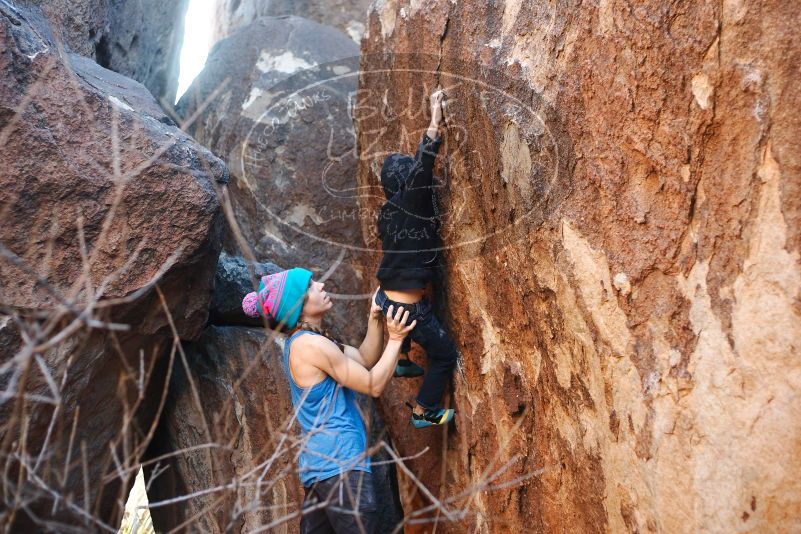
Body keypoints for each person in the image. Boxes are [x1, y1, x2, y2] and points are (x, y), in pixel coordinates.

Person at [242, 268, 415, 533]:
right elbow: (373, 384)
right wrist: (397, 339)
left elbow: (364, 359)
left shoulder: (311, 341)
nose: (321, 286)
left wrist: (374, 318)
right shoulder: (311, 346)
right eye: (311, 286)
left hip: (322, 471)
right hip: (341, 467)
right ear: (298, 307)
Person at [374, 89, 459, 428]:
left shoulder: (388, 213)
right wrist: (434, 123)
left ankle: (404, 359)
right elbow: (423, 165)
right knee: (443, 355)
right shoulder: (413, 201)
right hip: (408, 309)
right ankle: (425, 411)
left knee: (404, 319)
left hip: (386, 297)